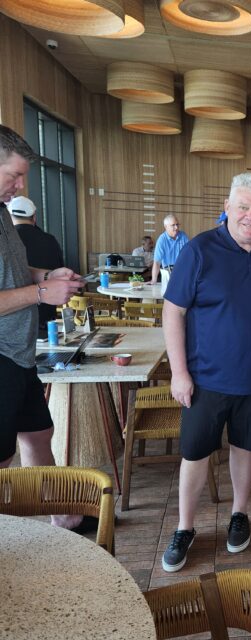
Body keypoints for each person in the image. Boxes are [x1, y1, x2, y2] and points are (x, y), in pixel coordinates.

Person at [160, 173, 251, 573]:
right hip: (204, 379)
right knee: (195, 455)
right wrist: (179, 372)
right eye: (243, 207)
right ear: (227, 208)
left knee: (245, 449)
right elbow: (172, 312)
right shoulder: (199, 250)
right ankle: (185, 527)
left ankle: (239, 514)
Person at [0, 125, 86, 529]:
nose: (20, 187)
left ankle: (62, 518)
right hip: (1, 355)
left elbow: (15, 270)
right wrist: (40, 294)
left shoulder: (3, 214)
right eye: (14, 176)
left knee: (38, 433)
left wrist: (47, 275)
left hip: (20, 353)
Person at [8, 195, 64, 331]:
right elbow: (58, 271)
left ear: (9, 218)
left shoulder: (7, 242)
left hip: (14, 316)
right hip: (46, 312)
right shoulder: (50, 240)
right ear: (34, 217)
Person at [151, 214, 189, 284]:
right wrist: (154, 280)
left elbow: (189, 256)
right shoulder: (162, 240)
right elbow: (157, 262)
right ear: (166, 227)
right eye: (173, 225)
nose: (176, 227)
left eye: (177, 224)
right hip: (168, 273)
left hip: (182, 271)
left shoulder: (183, 236)